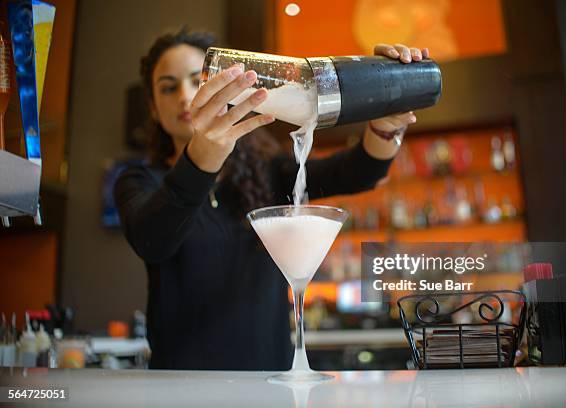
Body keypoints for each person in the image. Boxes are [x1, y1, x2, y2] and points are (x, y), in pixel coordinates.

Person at [114, 27, 430, 370]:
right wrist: (202, 157)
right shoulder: (137, 181)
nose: (185, 95)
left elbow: (359, 171)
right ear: (153, 108)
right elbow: (152, 240)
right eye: (168, 87)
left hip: (271, 382)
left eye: (197, 79)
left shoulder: (266, 171)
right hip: (181, 385)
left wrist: (387, 118)